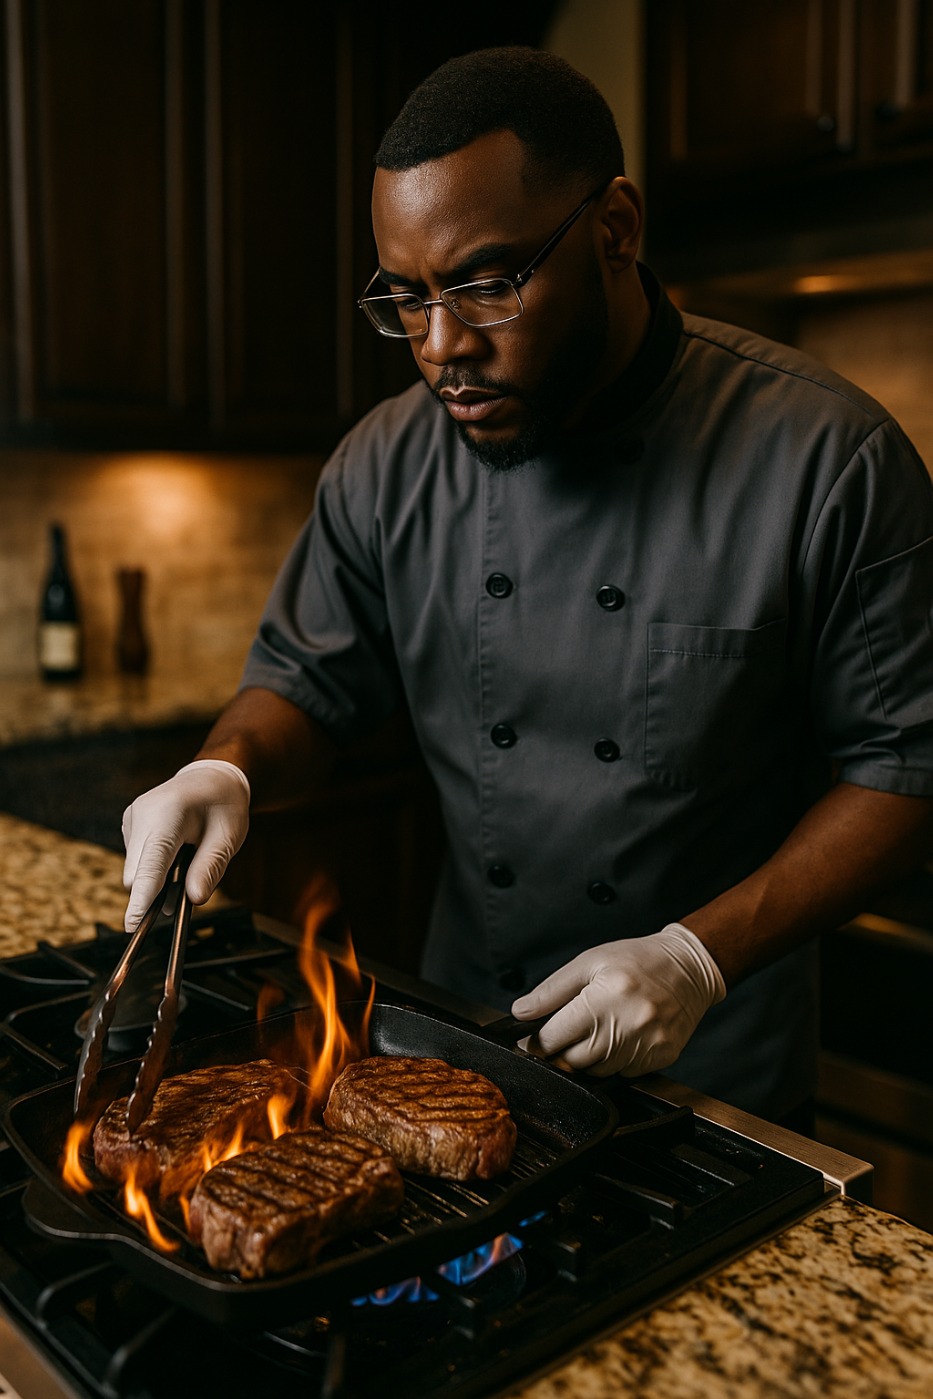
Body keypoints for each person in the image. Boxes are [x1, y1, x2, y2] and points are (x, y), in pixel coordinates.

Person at [122, 47, 933, 1127]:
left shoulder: (829, 458)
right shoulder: (381, 465)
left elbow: (908, 767)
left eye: (488, 282)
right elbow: (306, 683)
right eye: (405, 300)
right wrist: (224, 767)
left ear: (615, 230)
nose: (441, 346)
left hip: (721, 1080)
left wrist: (698, 955)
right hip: (462, 1049)